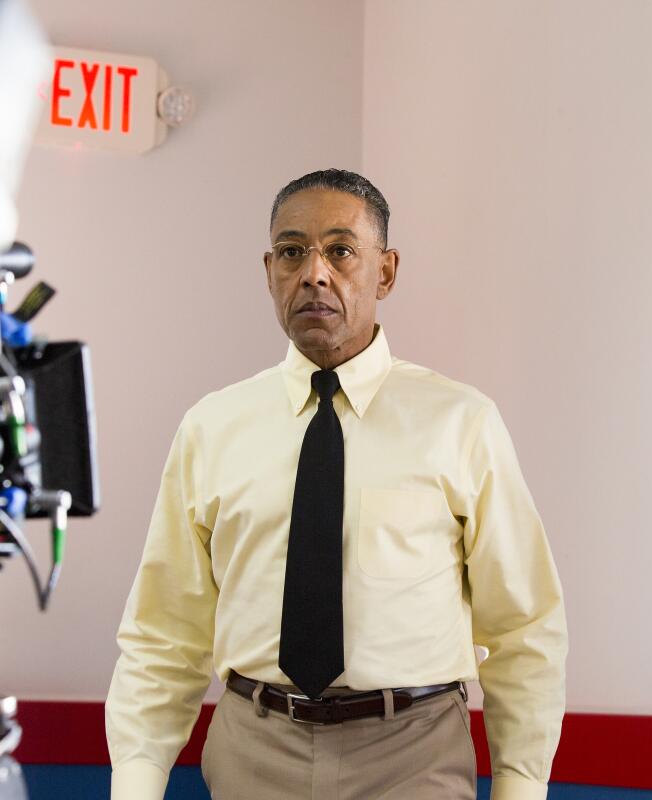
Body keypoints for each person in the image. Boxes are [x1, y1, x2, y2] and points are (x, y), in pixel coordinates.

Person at [105, 168, 567, 800]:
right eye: (292, 252)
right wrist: (135, 782)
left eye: (341, 251)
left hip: (413, 752)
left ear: (386, 271)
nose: (314, 274)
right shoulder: (211, 427)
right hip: (254, 749)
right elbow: (165, 628)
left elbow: (523, 623)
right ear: (269, 270)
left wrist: (520, 784)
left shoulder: (462, 423)